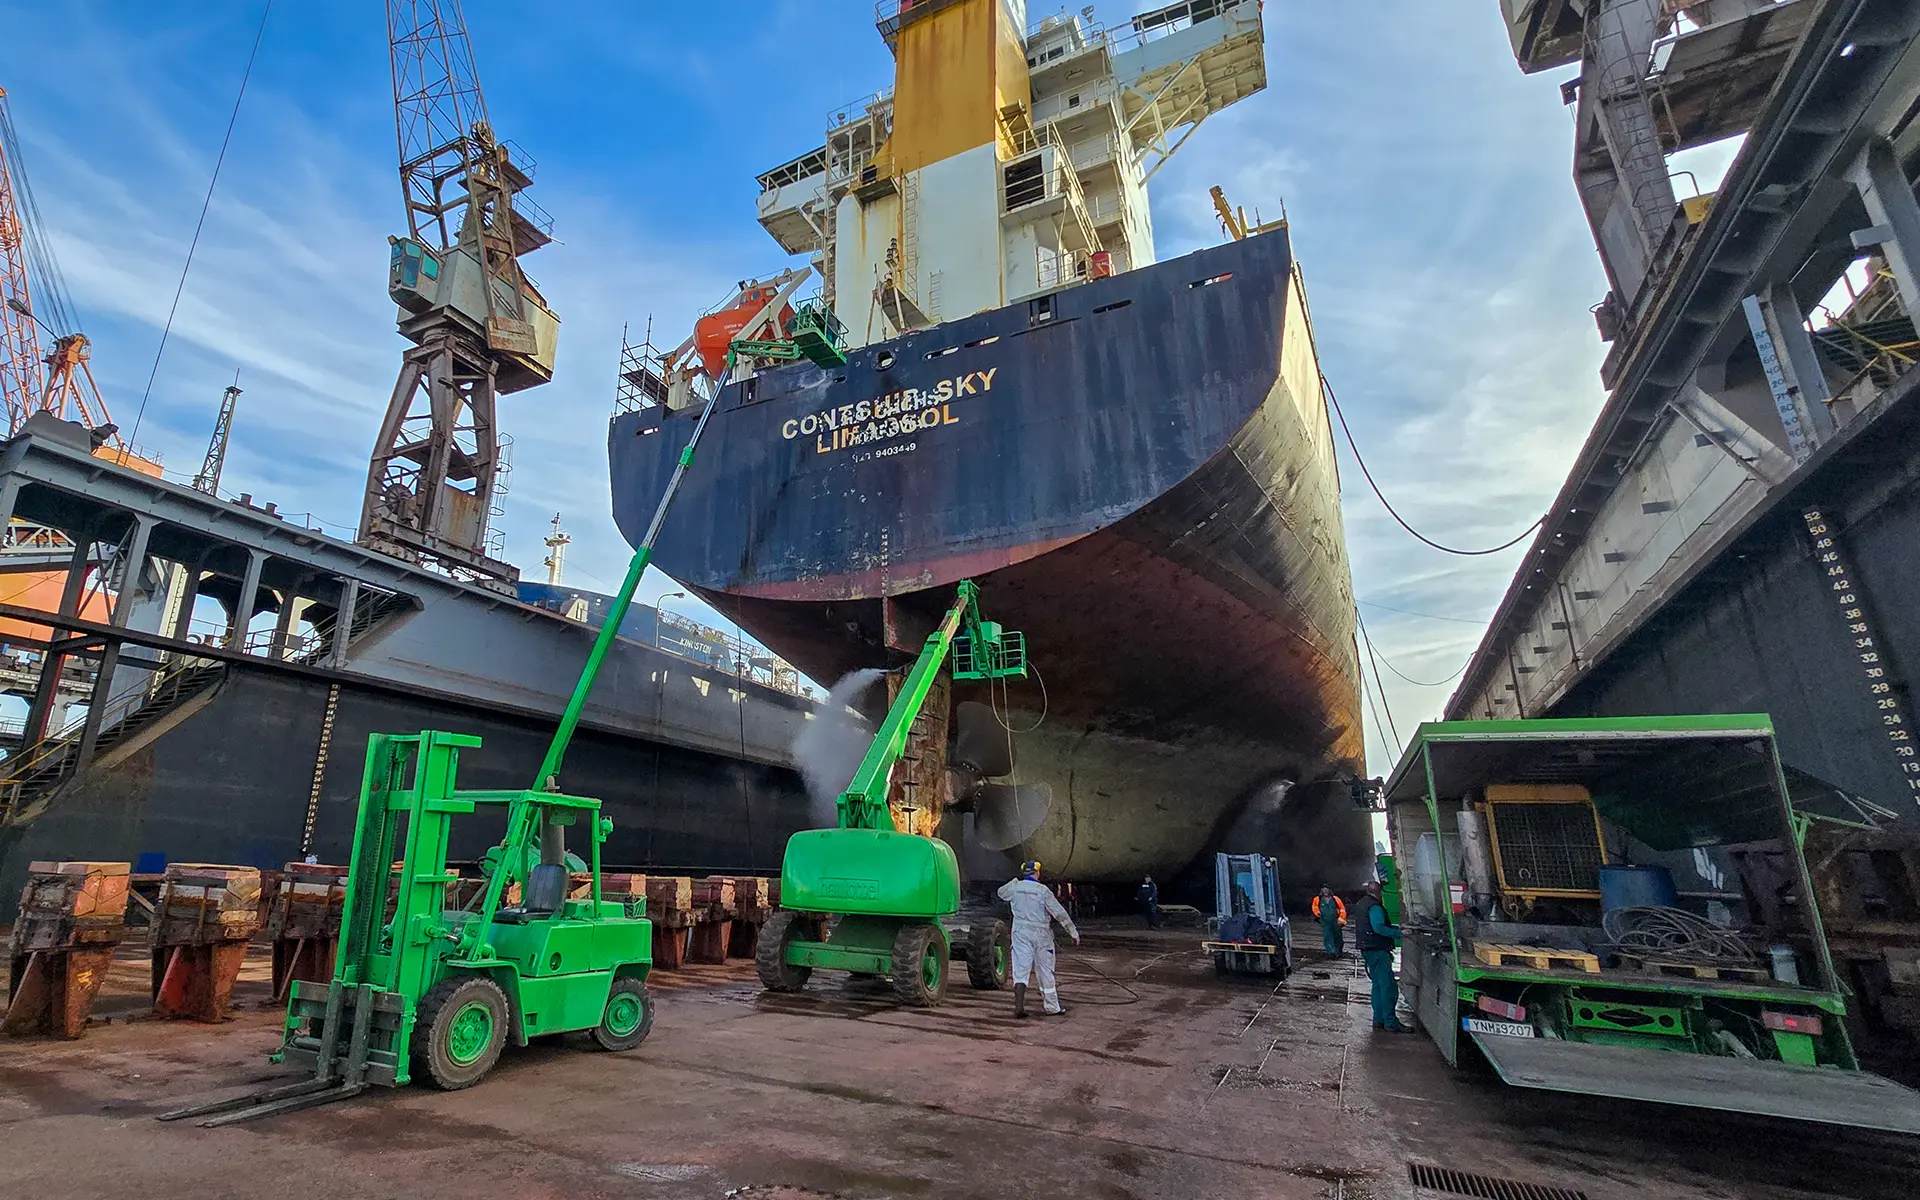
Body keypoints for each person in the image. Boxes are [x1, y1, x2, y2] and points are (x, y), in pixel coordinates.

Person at [997, 860, 1080, 1017]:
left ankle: (1019, 1006)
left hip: (1020, 931)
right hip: (1041, 934)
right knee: (1045, 970)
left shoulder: (1015, 887)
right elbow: (1059, 913)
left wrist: (1015, 881)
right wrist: (1073, 932)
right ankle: (1052, 1007)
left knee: (1021, 969)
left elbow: (1001, 893)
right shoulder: (1043, 891)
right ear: (1037, 873)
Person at [1358, 879, 1408, 1032]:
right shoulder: (1375, 907)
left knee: (1378, 986)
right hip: (1378, 950)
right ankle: (1390, 1022)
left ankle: (1378, 1020)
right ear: (1378, 893)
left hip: (1368, 949)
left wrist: (1395, 927)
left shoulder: (1362, 904)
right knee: (1388, 987)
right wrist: (1399, 933)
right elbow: (1378, 927)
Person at [1311, 885, 1347, 956]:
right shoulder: (1317, 899)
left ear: (1330, 890)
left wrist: (1341, 918)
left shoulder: (1336, 899)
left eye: (1327, 890)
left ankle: (1338, 951)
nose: (1325, 891)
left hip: (1336, 921)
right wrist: (1318, 913)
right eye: (1324, 890)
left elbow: (1342, 909)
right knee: (1327, 936)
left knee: (1338, 936)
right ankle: (1331, 952)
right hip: (1325, 921)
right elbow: (1314, 907)